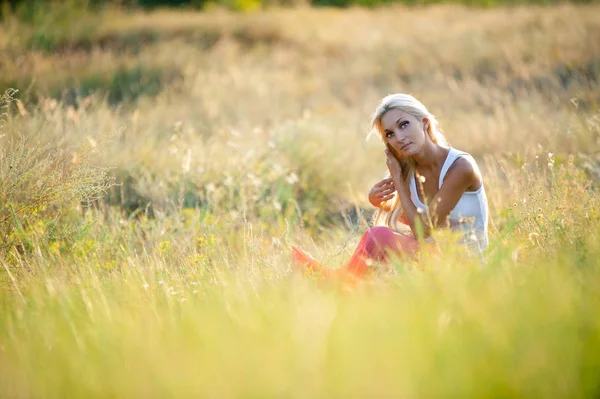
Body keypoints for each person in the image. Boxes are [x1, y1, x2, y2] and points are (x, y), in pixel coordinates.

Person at [292, 93, 489, 281]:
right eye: (390, 134)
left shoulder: (460, 166)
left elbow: (423, 230)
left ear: (424, 123)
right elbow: (411, 216)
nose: (399, 137)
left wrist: (396, 177)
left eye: (404, 124)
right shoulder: (410, 170)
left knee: (378, 236)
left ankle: (338, 283)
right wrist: (378, 202)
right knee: (378, 251)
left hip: (465, 267)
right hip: (432, 262)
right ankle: (346, 288)